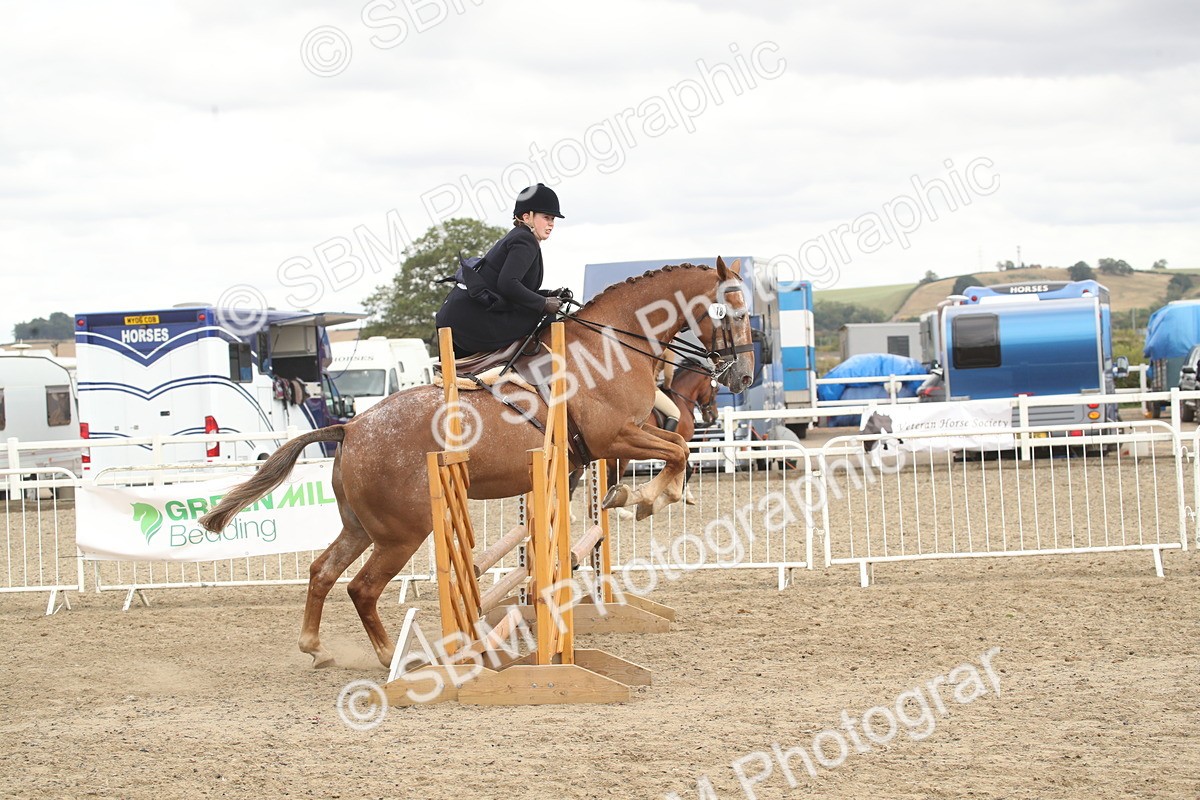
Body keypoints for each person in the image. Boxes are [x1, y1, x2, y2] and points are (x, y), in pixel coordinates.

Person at [435, 183, 568, 358]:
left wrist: (549, 294)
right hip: (471, 320)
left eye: (553, 219)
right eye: (546, 217)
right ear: (526, 217)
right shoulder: (525, 240)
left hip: (458, 317)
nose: (551, 224)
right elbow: (507, 284)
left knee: (541, 312)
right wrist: (543, 303)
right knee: (545, 317)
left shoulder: (519, 236)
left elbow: (515, 289)